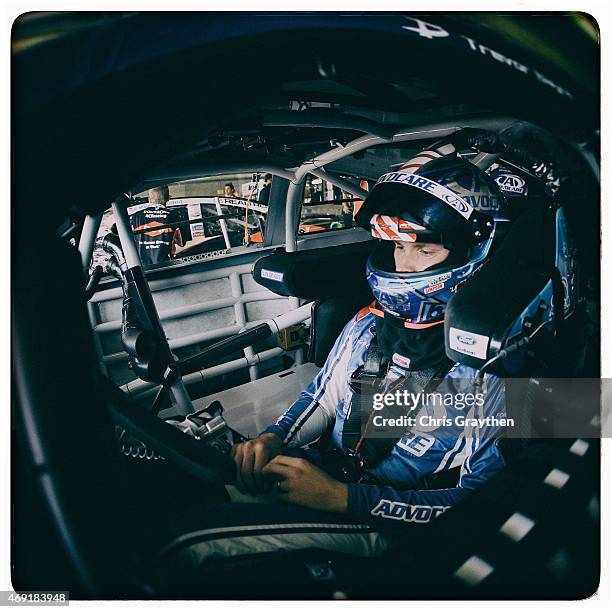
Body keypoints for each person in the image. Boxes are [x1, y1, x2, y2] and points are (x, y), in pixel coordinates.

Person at [162, 152, 510, 565]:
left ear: (474, 255)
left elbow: (486, 504)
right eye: (398, 247)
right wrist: (274, 439)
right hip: (324, 477)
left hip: (386, 523)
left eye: (424, 251)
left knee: (187, 543)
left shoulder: (504, 365)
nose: (403, 264)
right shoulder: (369, 324)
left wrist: (345, 500)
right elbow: (323, 397)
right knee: (177, 476)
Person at [129, 185, 184, 266]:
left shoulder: (135, 216)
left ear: (149, 199)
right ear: (169, 198)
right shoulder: (174, 216)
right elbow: (181, 243)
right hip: (164, 266)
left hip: (141, 267)